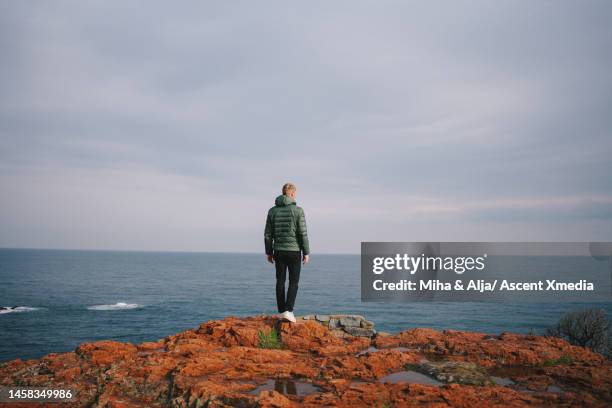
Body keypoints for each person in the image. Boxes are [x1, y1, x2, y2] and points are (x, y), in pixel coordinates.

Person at [264, 182, 310, 323]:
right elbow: (303, 233)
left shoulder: (272, 211)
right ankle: (289, 311)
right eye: (294, 193)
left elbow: (267, 234)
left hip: (278, 251)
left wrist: (269, 252)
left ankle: (282, 311)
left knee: (280, 281)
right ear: (292, 193)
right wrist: (306, 252)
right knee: (293, 282)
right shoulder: (298, 211)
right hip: (294, 251)